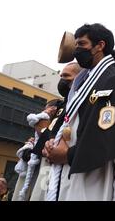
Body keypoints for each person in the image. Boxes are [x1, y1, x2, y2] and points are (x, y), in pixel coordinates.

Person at [44, 23, 115, 201]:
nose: (77, 50)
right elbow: (72, 121)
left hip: (93, 167)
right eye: (76, 44)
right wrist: (57, 143)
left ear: (100, 46)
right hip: (71, 163)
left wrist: (67, 154)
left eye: (82, 44)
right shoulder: (86, 81)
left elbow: (106, 133)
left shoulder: (114, 80)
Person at [28, 62, 82, 201]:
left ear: (79, 77)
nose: (62, 80)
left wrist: (42, 126)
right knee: (40, 195)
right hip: (48, 163)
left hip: (66, 165)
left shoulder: (79, 103)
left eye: (66, 76)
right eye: (61, 76)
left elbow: (52, 133)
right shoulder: (61, 104)